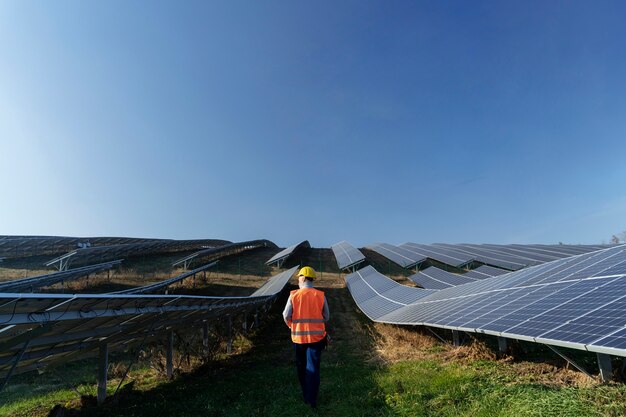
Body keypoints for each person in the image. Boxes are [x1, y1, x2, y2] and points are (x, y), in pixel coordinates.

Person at [283, 266, 330, 409]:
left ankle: (306, 396)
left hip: (298, 339)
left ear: (302, 278)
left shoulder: (293, 295)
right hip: (316, 339)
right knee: (313, 369)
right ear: (312, 280)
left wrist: (292, 325)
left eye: (298, 278)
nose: (298, 281)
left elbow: (286, 315)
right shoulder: (320, 295)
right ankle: (312, 400)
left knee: (302, 368)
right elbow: (327, 317)